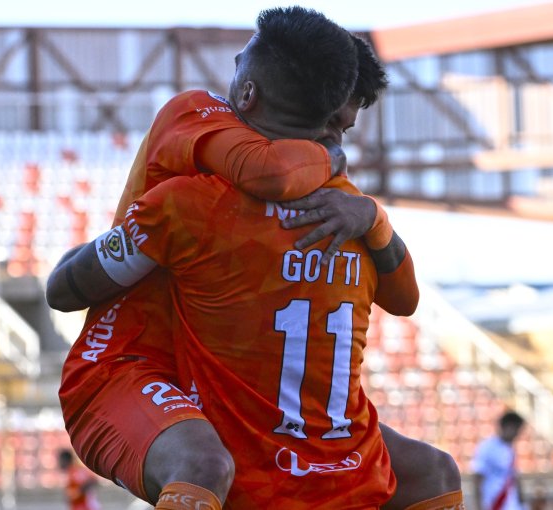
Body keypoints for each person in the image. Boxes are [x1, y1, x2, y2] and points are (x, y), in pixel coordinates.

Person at [50, 27, 463, 510]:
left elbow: (62, 289)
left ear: (249, 93)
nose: (337, 141)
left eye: (343, 132)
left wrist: (370, 214)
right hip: (127, 366)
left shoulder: (331, 207)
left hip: (252, 411)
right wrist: (357, 196)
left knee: (430, 472)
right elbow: (271, 172)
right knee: (203, 464)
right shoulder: (324, 202)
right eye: (336, 127)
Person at [87, 169, 414, 507]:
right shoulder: (198, 195)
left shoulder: (347, 207)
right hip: (130, 375)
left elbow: (407, 300)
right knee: (203, 466)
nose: (331, 151)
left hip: (296, 433)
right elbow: (63, 290)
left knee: (434, 471)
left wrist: (375, 219)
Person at [473, 410, 526, 510]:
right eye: (516, 430)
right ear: (507, 426)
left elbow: (514, 478)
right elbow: (477, 478)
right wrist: (479, 506)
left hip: (512, 505)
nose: (517, 434)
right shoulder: (487, 447)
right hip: (494, 504)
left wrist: (522, 502)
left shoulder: (511, 449)